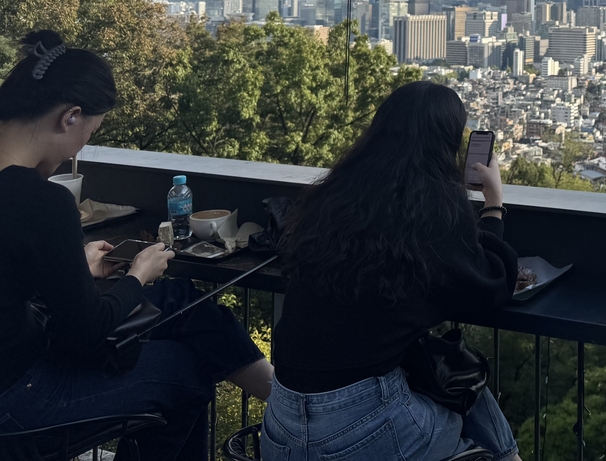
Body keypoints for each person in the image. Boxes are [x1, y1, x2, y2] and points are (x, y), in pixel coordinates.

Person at [0, 30, 274, 461]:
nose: (82, 148)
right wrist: (136, 275)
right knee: (187, 369)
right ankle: (292, 407)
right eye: (90, 132)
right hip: (18, 398)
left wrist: (77, 267)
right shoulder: (40, 200)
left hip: (17, 360)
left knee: (174, 298)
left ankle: (282, 397)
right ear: (70, 117)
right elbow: (88, 334)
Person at [265, 81, 520, 461]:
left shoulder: (333, 198)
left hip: (280, 422)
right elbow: (490, 284)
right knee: (464, 383)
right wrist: (494, 205)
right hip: (362, 426)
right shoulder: (432, 212)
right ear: (446, 142)